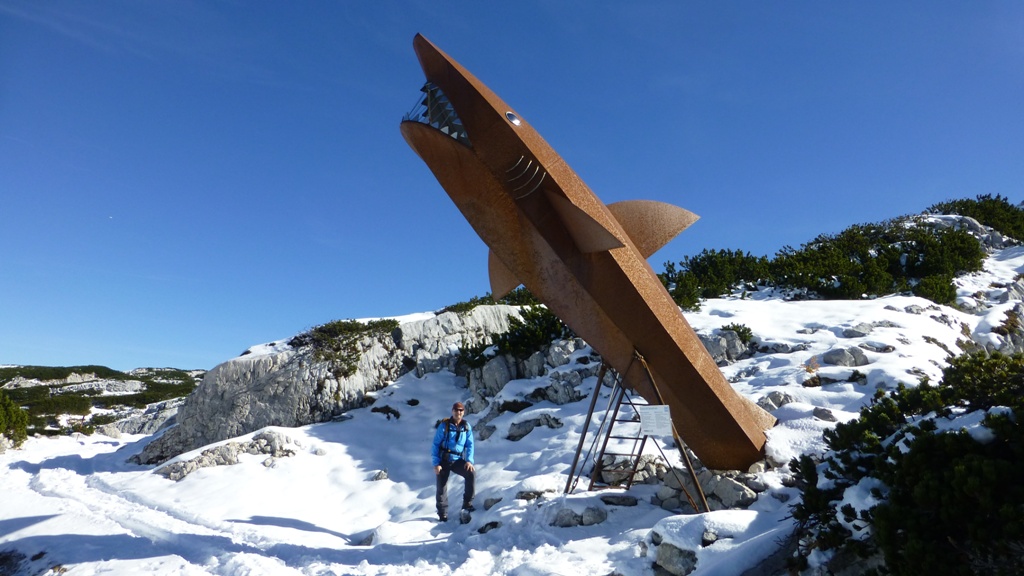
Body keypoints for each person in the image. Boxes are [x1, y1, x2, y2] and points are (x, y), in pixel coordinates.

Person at [432, 401, 475, 521]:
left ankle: (467, 503)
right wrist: (436, 463)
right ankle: (442, 514)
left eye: (461, 410)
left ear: (464, 412)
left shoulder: (466, 427)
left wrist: (469, 461)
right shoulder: (444, 425)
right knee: (442, 486)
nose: (458, 412)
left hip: (457, 460)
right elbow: (435, 444)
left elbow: (470, 445)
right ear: (452, 411)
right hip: (444, 459)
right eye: (456, 410)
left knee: (471, 473)